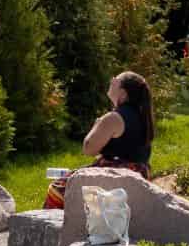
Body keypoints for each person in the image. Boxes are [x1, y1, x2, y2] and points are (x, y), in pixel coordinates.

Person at [40, 70, 156, 211]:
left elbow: (88, 149)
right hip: (138, 174)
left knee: (57, 190)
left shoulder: (114, 118)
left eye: (115, 81)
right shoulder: (142, 115)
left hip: (117, 176)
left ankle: (52, 227)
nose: (111, 82)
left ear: (123, 93)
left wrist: (98, 123)